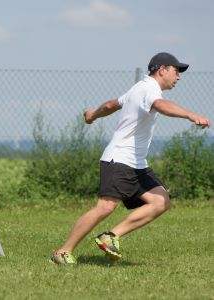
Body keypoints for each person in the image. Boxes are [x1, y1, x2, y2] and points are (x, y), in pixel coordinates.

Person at [50, 52, 211, 265]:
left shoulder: (139, 88)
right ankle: (63, 251)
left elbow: (111, 105)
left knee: (160, 200)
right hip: (119, 159)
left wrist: (92, 115)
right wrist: (190, 115)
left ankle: (110, 236)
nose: (179, 76)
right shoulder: (148, 90)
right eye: (176, 70)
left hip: (136, 163)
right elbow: (162, 106)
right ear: (162, 69)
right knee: (105, 207)